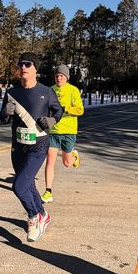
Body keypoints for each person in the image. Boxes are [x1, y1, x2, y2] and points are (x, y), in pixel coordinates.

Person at [0, 52, 63, 242]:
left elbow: (59, 111)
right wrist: (5, 112)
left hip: (38, 146)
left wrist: (52, 120)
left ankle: (34, 217)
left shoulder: (46, 92)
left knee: (19, 186)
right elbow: (3, 119)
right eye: (21, 64)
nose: (24, 67)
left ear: (36, 68)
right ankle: (44, 214)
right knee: (28, 185)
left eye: (28, 64)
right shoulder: (12, 92)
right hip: (18, 148)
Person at [41, 64, 84, 203]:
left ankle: (74, 157)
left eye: (61, 76)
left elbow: (80, 110)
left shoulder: (73, 90)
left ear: (66, 77)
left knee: (67, 163)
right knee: (50, 162)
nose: (59, 78)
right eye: (57, 76)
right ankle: (48, 191)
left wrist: (64, 109)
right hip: (53, 131)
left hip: (68, 131)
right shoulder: (50, 91)